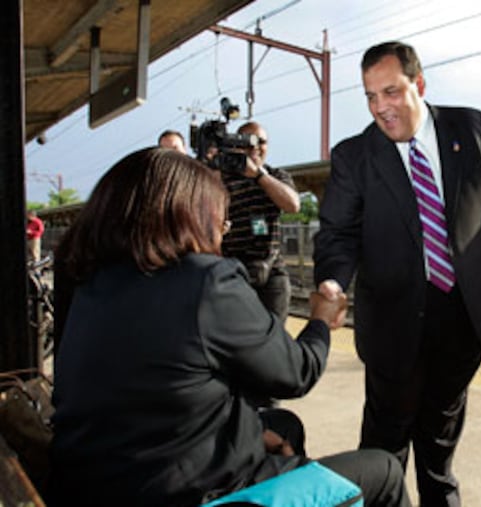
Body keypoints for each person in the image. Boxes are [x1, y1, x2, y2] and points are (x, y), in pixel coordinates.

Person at [48, 148, 410, 507]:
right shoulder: (206, 281)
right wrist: (320, 320)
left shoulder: (86, 280)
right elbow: (296, 373)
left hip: (98, 482)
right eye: (221, 220)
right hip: (179, 495)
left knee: (283, 424)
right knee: (384, 470)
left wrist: (248, 437)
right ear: (186, 217)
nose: (224, 231)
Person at [313, 41, 481, 506]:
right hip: (393, 319)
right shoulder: (354, 156)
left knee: (439, 445)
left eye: (391, 92)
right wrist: (333, 281)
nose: (381, 108)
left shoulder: (474, 128)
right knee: (385, 444)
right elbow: (337, 233)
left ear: (418, 85)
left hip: (461, 314)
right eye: (370, 96)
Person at [220, 121, 299, 322]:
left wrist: (258, 175)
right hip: (233, 271)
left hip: (271, 270)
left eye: (261, 142)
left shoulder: (277, 175)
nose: (255, 147)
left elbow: (292, 205)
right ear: (235, 146)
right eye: (248, 142)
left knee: (275, 338)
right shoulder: (222, 180)